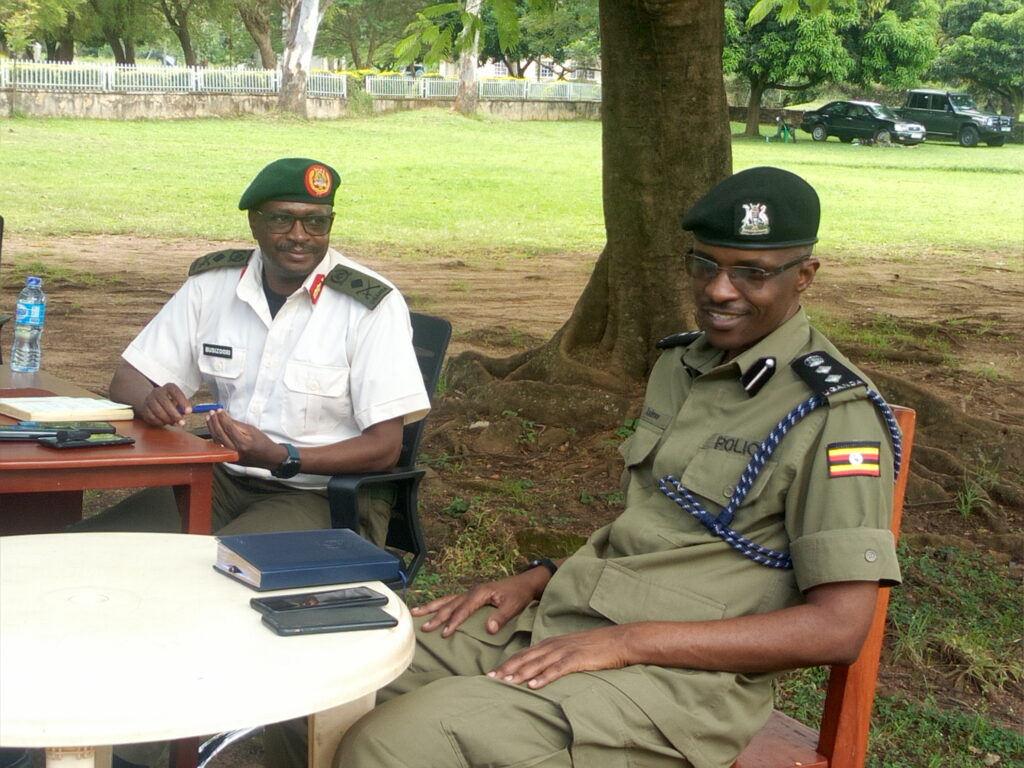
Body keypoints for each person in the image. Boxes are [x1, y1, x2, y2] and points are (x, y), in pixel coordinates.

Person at [323, 166, 902, 768]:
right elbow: (661, 527)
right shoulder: (682, 366)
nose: (720, 290)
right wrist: (541, 575)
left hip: (679, 684)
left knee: (393, 743)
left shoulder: (834, 414)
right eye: (705, 264)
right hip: (568, 620)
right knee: (329, 683)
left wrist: (628, 641)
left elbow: (839, 629)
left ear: (804, 275)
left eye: (752, 273)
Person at [75, 158, 430, 545]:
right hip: (221, 478)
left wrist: (283, 456)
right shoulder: (214, 284)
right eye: (282, 220)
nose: (300, 235)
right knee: (94, 547)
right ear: (254, 223)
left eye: (316, 222)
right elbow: (129, 377)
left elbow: (384, 448)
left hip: (321, 495)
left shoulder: (370, 304)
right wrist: (150, 399)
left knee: (210, 570)